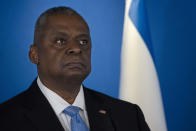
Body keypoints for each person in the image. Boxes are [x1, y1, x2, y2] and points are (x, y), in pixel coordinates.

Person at [0, 6, 150, 131]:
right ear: (34, 55)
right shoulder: (5, 119)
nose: (76, 48)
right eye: (60, 41)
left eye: (83, 41)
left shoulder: (128, 115)